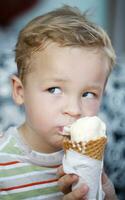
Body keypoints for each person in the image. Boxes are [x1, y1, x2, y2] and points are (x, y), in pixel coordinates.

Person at [0, 5, 118, 200]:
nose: (74, 110)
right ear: (20, 91)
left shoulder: (93, 161)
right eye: (54, 89)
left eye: (88, 94)